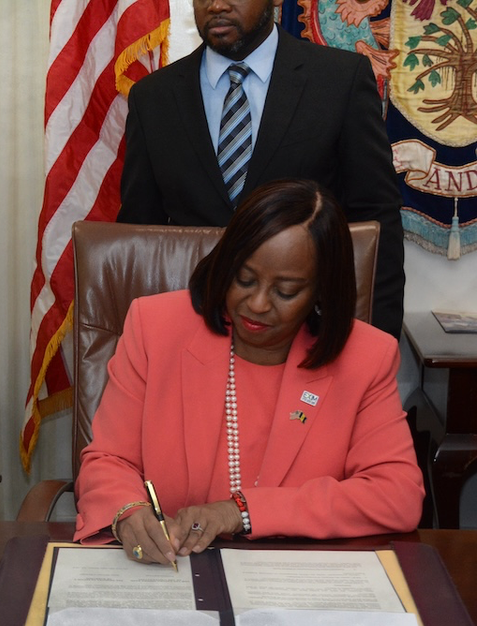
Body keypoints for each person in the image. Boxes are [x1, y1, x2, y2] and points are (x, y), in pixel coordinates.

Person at [76, 179, 423, 564]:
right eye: (244, 279)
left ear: (321, 291)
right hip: (170, 573)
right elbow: (109, 459)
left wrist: (240, 512)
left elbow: (397, 494)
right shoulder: (155, 327)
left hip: (298, 580)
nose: (257, 304)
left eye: (286, 291)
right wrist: (127, 512)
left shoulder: (364, 357)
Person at [117, 0, 406, 340]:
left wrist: (378, 340)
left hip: (308, 332)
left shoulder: (339, 80)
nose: (216, 5)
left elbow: (376, 219)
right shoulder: (153, 98)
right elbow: (139, 234)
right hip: (190, 330)